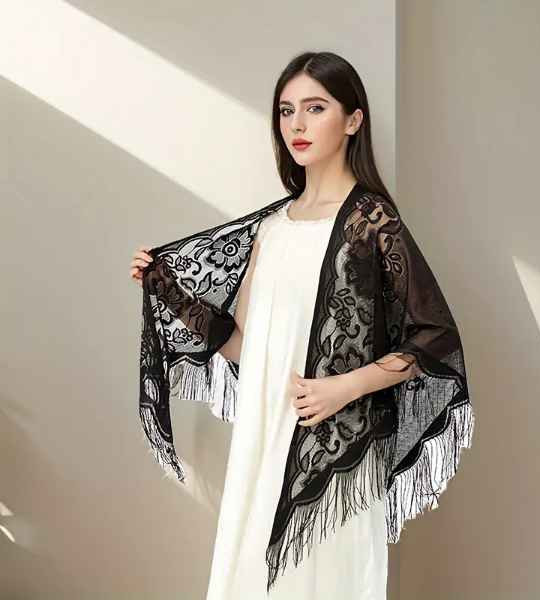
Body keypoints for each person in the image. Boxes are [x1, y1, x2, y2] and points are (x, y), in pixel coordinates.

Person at [130, 51, 453, 599]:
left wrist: (344, 387)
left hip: (334, 453)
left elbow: (434, 336)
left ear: (353, 120)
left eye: (315, 108)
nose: (297, 124)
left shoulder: (371, 221)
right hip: (263, 438)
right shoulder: (272, 228)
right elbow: (249, 349)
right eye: (286, 110)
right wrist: (171, 293)